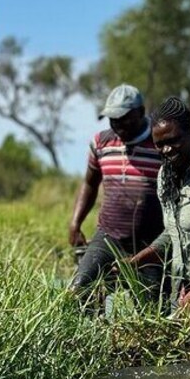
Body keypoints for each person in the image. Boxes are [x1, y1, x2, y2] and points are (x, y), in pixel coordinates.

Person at [126, 97, 190, 310]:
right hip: (182, 291)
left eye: (173, 140)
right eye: (159, 144)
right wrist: (134, 262)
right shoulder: (165, 175)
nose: (166, 150)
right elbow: (175, 233)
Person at [68, 84, 163, 295]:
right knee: (78, 289)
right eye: (113, 119)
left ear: (140, 112)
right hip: (109, 234)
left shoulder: (160, 143)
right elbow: (90, 184)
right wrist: (75, 223)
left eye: (124, 117)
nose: (118, 125)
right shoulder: (101, 143)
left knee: (151, 304)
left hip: (152, 240)